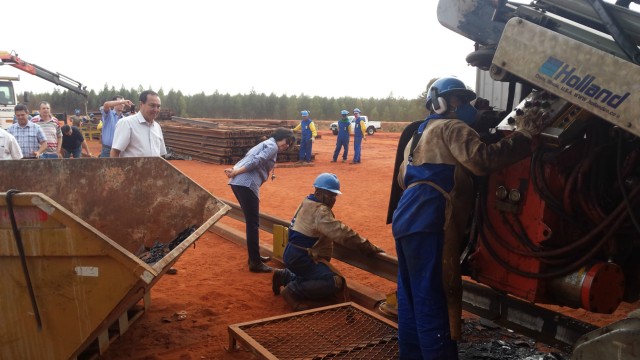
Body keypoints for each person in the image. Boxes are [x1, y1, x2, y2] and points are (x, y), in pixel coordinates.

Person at [390, 76, 550, 359]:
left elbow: (404, 178)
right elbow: (482, 161)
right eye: (459, 99)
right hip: (431, 218)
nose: (465, 105)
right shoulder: (453, 127)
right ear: (441, 103)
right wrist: (524, 136)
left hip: (407, 216)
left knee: (411, 296)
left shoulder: (418, 133)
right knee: (434, 296)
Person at [272, 173, 384, 310]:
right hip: (302, 257)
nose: (333, 199)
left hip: (292, 252)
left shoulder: (308, 201)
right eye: (329, 195)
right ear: (318, 192)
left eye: (334, 196)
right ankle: (292, 291)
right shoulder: (320, 211)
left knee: (312, 274)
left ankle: (284, 276)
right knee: (333, 281)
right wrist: (368, 247)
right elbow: (343, 233)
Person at [225, 128, 296, 273]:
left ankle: (253, 257)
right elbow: (256, 161)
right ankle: (255, 262)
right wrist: (236, 171)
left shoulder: (265, 143)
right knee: (253, 224)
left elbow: (248, 157)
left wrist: (234, 170)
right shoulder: (272, 146)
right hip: (247, 183)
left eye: (289, 144)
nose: (287, 146)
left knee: (251, 222)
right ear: (280, 137)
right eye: (287, 142)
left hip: (238, 182)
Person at [111, 90, 167, 158]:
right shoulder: (127, 123)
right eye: (152, 105)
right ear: (141, 105)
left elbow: (161, 155)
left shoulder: (157, 127)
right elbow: (115, 153)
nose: (156, 110)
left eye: (158, 106)